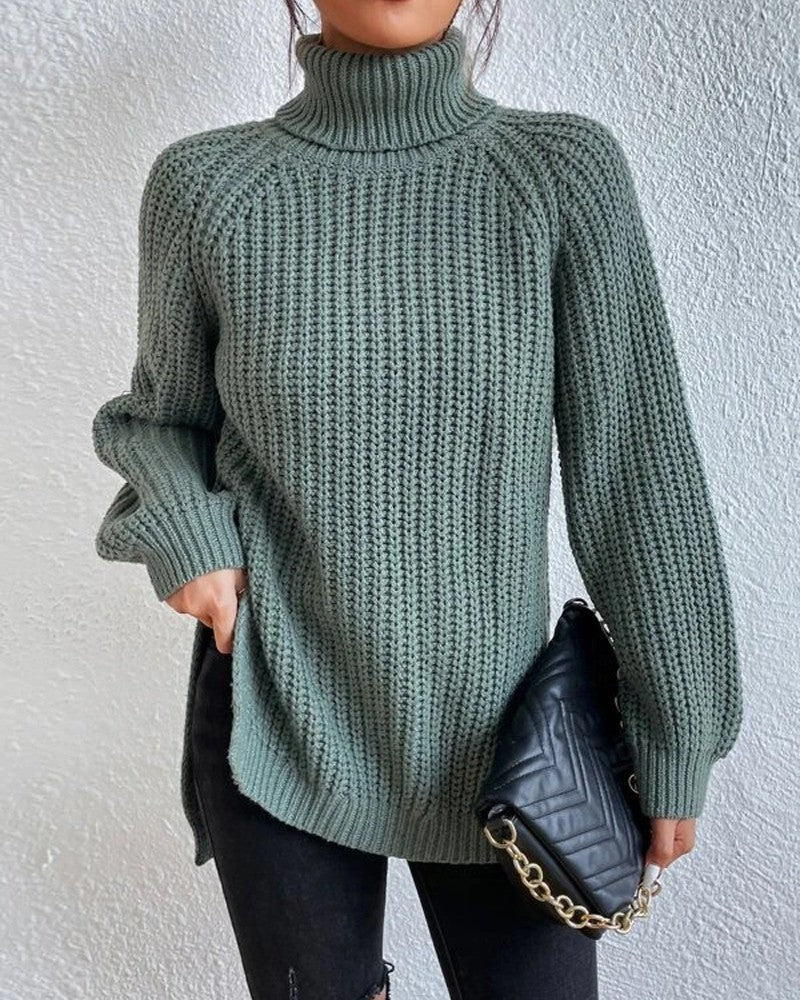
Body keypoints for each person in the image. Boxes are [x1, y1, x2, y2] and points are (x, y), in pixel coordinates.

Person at [90, 1, 744, 997]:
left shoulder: (559, 175)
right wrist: (191, 539)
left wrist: (676, 724)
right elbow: (158, 423)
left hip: (503, 736)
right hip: (278, 708)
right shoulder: (208, 187)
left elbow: (635, 471)